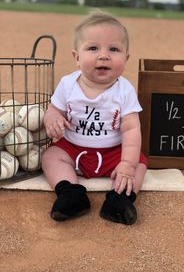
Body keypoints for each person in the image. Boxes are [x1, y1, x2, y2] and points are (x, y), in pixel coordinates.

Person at [42, 11, 147, 225]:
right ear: (76, 57)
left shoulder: (124, 90)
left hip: (113, 153)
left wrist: (127, 163)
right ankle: (71, 193)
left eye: (114, 49)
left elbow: (131, 129)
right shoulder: (68, 84)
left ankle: (120, 199)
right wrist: (52, 117)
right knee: (51, 156)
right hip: (73, 148)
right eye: (93, 48)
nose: (104, 55)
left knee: (140, 163)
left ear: (125, 59)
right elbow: (55, 108)